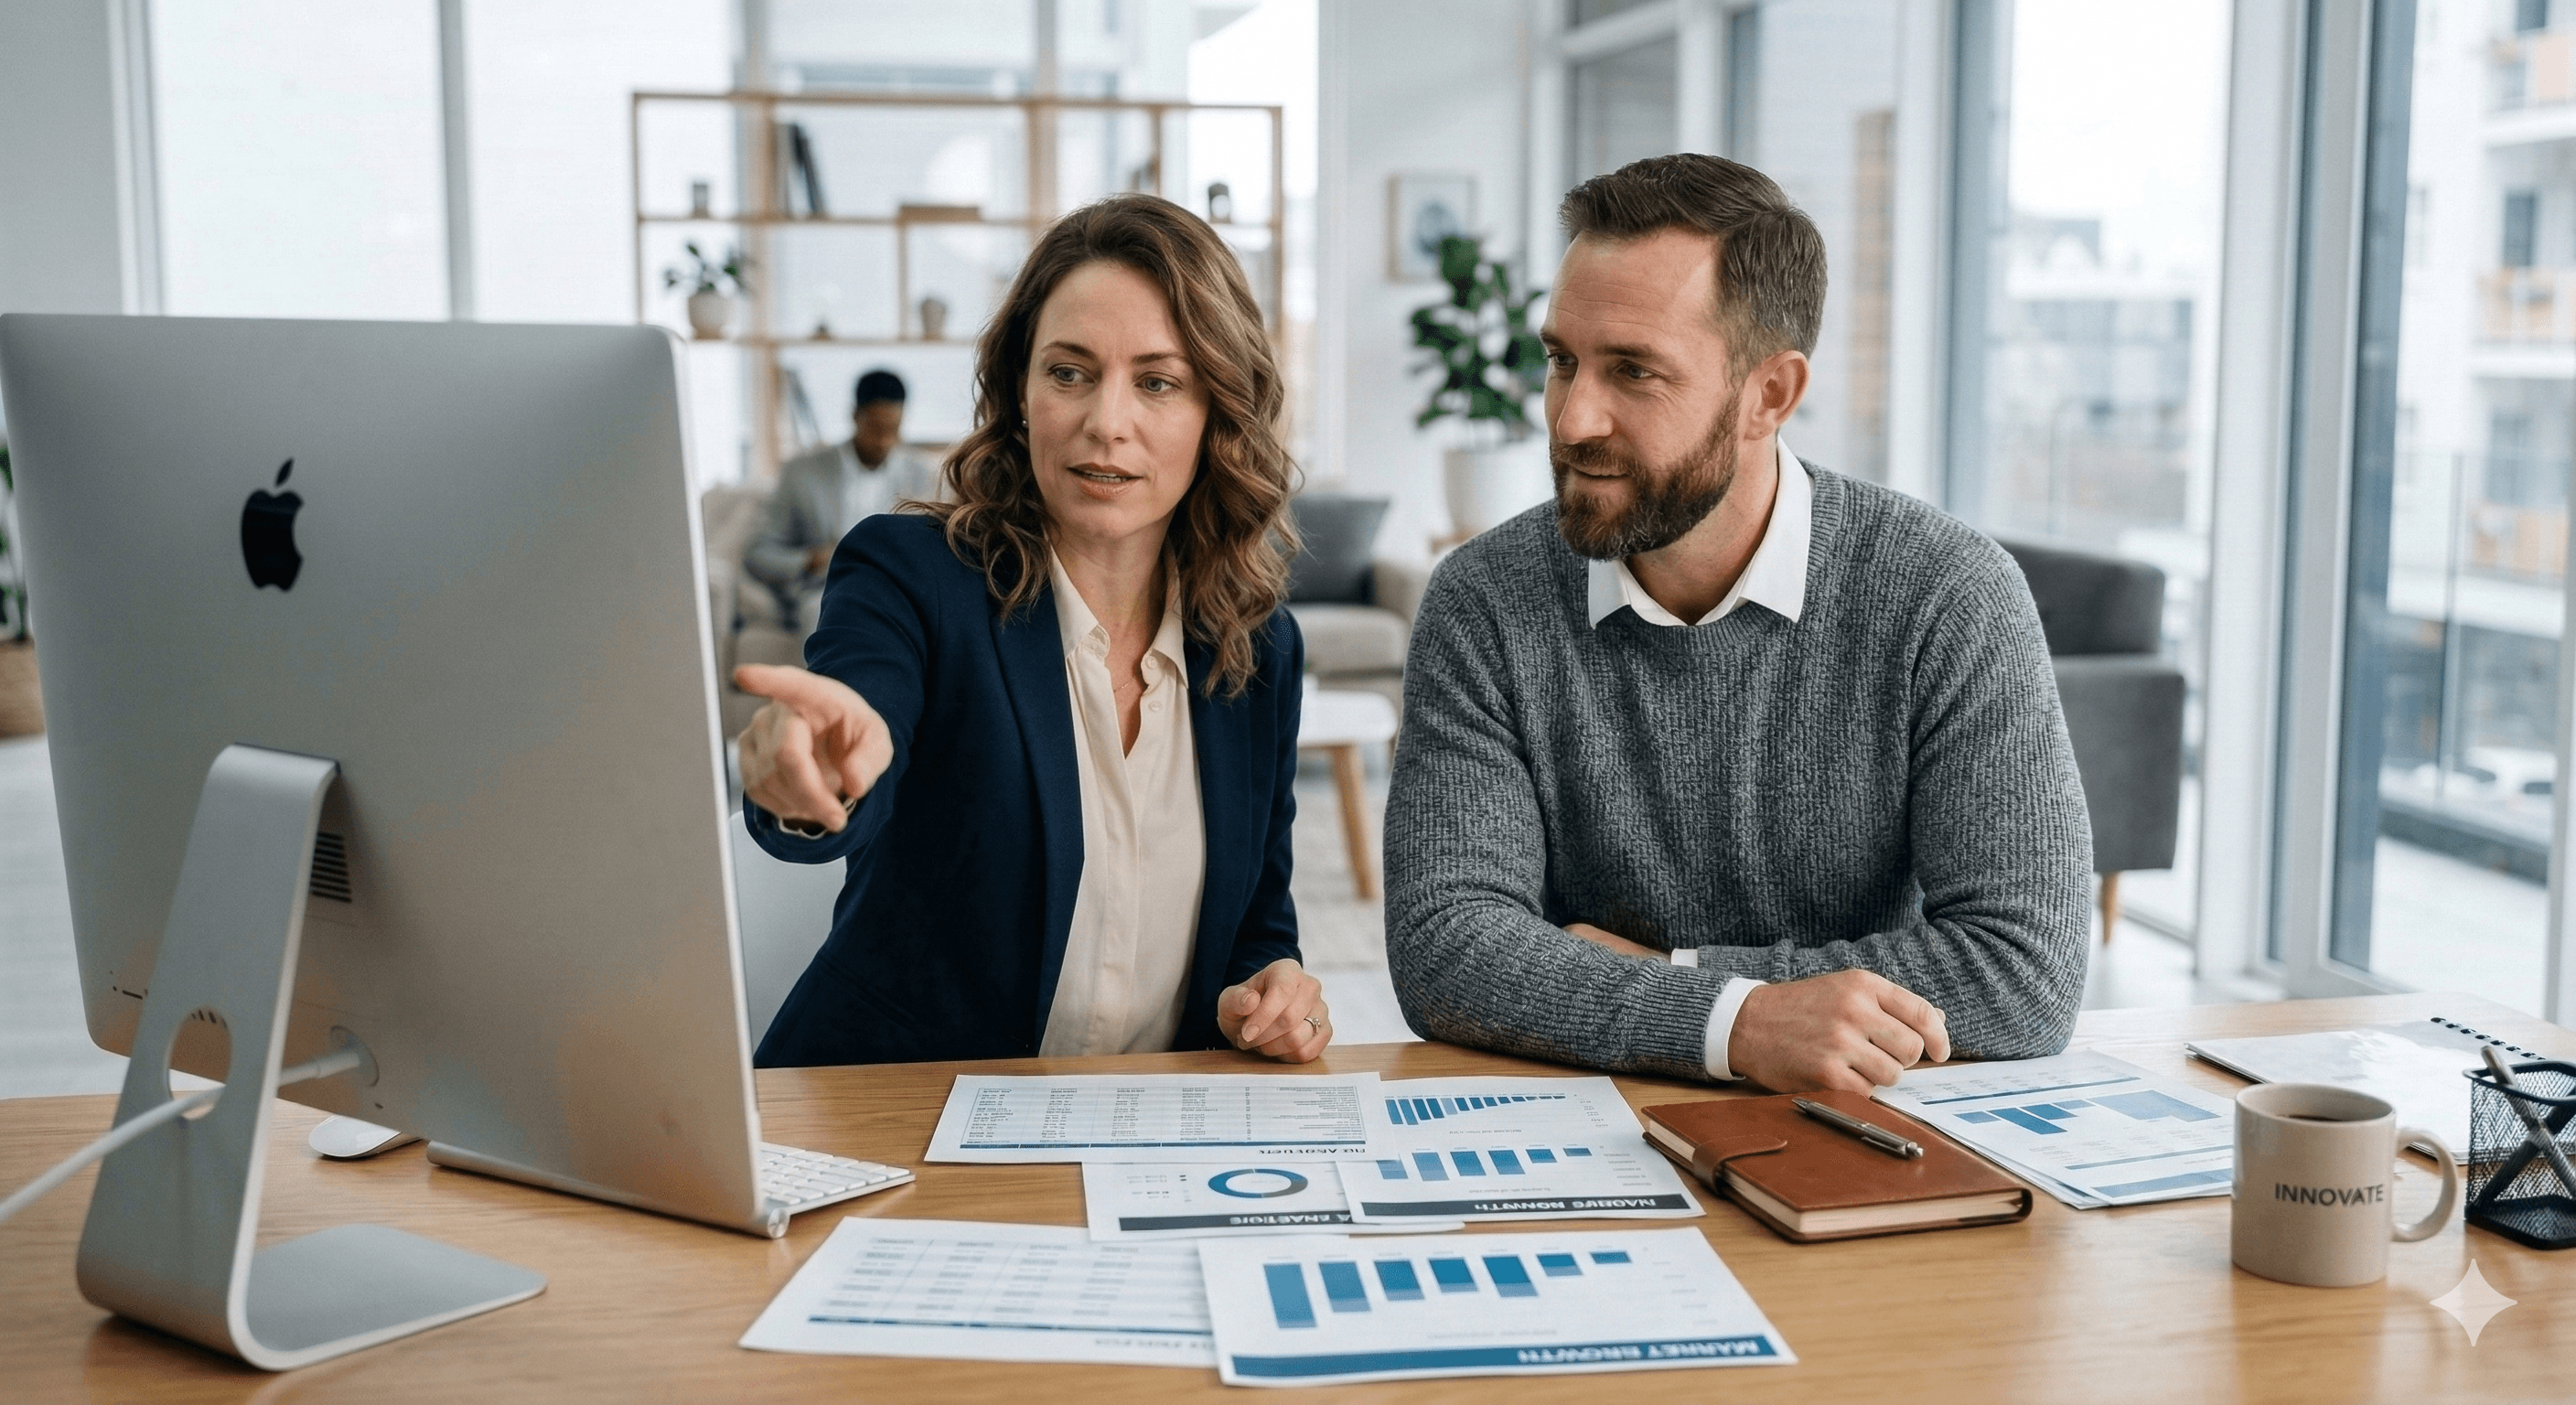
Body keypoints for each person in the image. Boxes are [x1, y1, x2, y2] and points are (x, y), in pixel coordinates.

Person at [1383, 154, 2090, 1095]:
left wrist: (1681, 985)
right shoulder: (1483, 600)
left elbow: (2020, 975)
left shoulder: (1946, 595)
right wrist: (1742, 1021)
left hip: (1860, 1138)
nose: (1569, 418)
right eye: (1561, 361)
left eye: (1632, 371)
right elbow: (1446, 948)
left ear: (1768, 395)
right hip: (1581, 1138)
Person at [734, 193, 1332, 1067]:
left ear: (1218, 411)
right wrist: (818, 769)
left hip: (1144, 1139)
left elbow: (1255, 926)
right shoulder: (912, 575)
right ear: (1021, 392)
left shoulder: (1258, 649)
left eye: (1157, 381)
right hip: (896, 1122)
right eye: (1069, 372)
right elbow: (859, 715)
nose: (1105, 421)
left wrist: (1274, 989)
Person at [743, 369, 942, 632]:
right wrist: (809, 561)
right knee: (826, 615)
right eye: (876, 428)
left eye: (893, 429)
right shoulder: (802, 473)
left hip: (896, 592)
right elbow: (758, 552)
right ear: (855, 416)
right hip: (825, 590)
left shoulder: (920, 475)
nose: (884, 441)